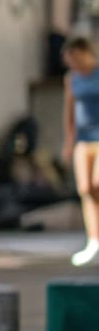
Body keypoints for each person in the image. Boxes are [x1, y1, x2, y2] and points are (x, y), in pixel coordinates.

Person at [62, 35, 99, 266]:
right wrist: (69, 141)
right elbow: (69, 111)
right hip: (83, 139)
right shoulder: (71, 79)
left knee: (98, 183)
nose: (73, 63)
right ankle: (94, 240)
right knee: (85, 188)